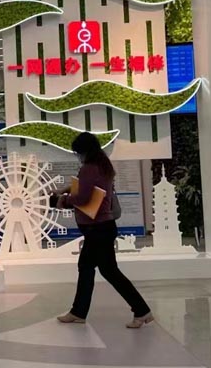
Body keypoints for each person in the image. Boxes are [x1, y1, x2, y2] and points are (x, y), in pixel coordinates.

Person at [53, 132, 153, 328]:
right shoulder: (103, 166)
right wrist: (66, 190)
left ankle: (142, 311)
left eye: (78, 152)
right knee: (91, 268)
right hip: (104, 227)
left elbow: (82, 198)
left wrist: (62, 201)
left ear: (84, 151)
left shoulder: (89, 168)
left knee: (106, 271)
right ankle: (79, 312)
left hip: (96, 229)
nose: (78, 156)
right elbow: (87, 188)